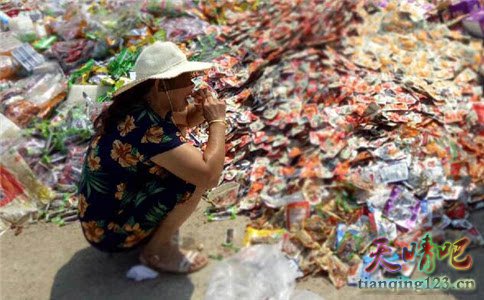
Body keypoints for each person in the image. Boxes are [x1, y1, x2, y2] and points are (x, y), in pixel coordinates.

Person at [77, 41, 226, 273]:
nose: (191, 86)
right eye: (185, 80)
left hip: (102, 216)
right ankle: (157, 250)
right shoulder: (146, 127)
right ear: (161, 85)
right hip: (111, 232)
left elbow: (182, 121)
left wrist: (201, 111)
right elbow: (210, 176)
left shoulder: (139, 106)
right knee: (191, 179)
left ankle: (154, 233)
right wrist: (218, 121)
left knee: (185, 164)